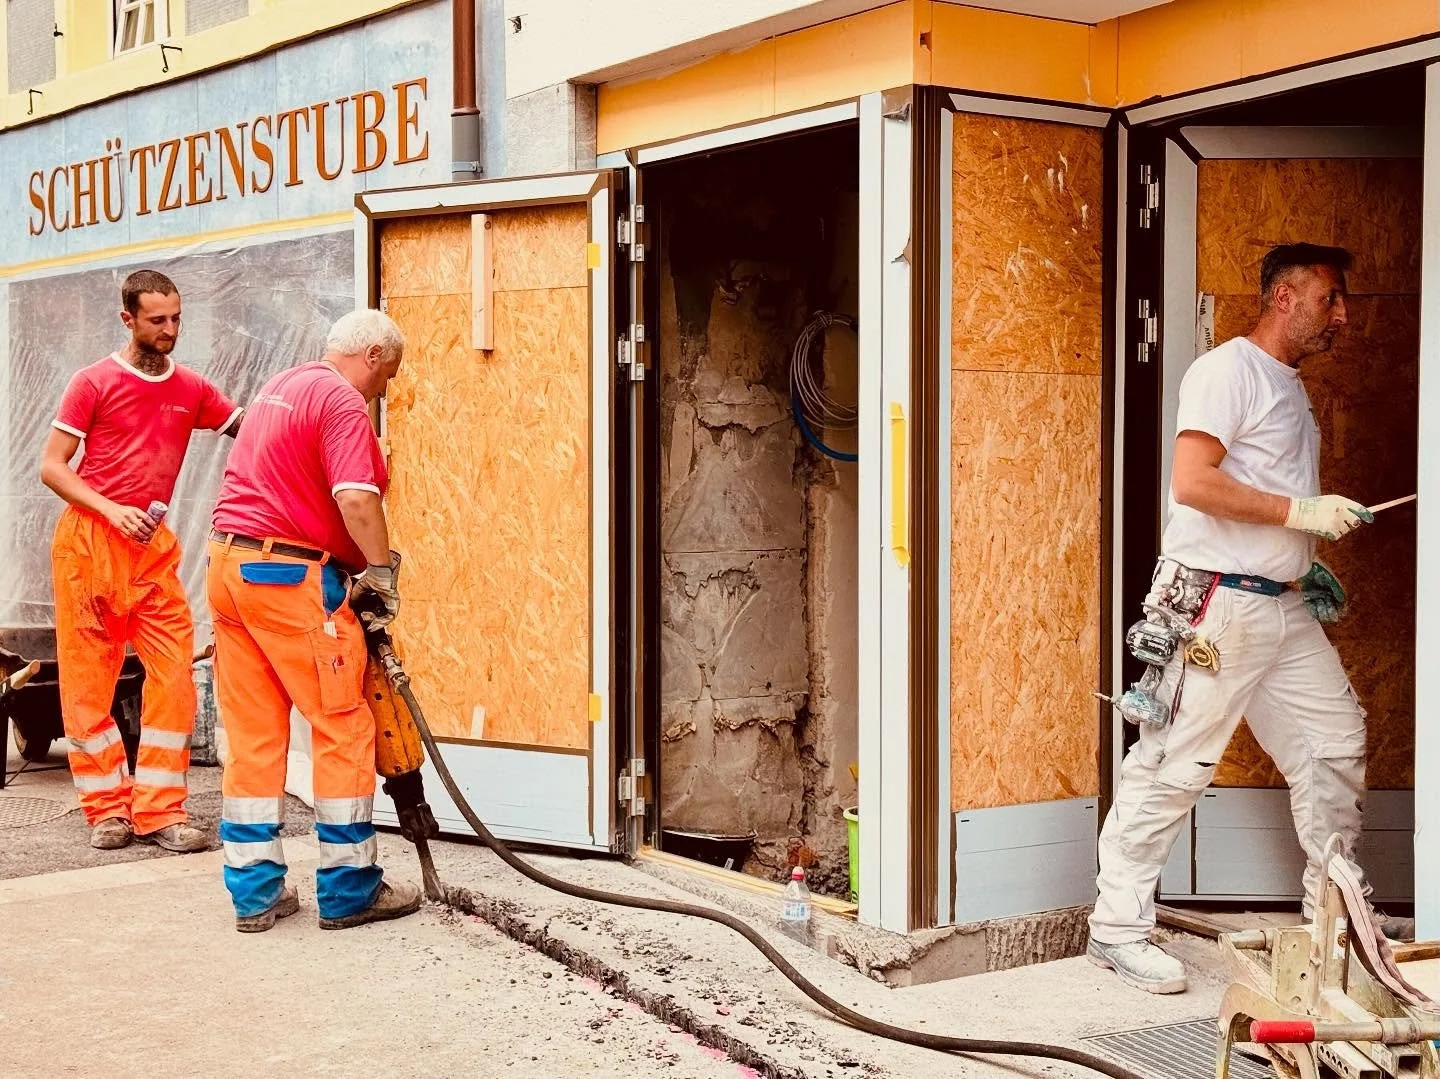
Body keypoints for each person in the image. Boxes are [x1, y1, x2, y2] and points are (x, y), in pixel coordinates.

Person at [1087, 243, 1407, 995]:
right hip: (1215, 604)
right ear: (1284, 297)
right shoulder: (1227, 370)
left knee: (1334, 741)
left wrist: (1300, 557)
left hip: (1279, 604)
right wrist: (1300, 512)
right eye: (1330, 297)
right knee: (1176, 763)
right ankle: (1117, 927)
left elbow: (1262, 491)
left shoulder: (1289, 388)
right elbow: (1194, 482)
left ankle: (1334, 913)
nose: (1343, 314)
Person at [206, 308, 420, 933]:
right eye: (389, 376)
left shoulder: (283, 386)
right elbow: (355, 497)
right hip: (287, 580)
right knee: (342, 726)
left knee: (254, 736)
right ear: (374, 355)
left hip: (229, 566)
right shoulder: (343, 401)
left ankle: (255, 895)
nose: (385, 390)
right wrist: (380, 574)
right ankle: (350, 889)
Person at [41, 269, 243, 853]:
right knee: (86, 684)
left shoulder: (192, 388)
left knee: (175, 674)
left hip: (150, 549)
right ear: (127, 318)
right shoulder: (93, 381)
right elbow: (52, 466)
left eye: (176, 318)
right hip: (87, 545)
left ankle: (160, 811)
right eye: (157, 320)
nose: (170, 330)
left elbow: (245, 428)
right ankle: (107, 810)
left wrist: (309, 425)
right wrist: (110, 509)